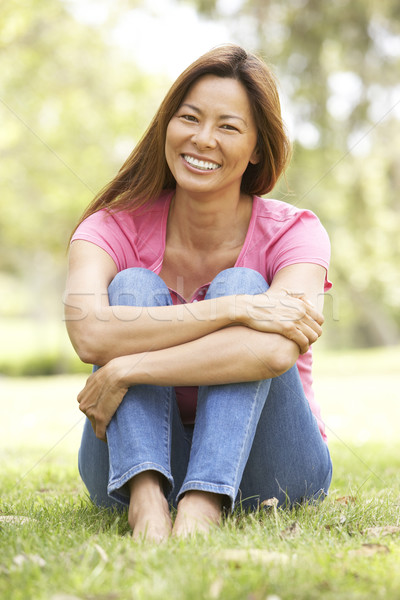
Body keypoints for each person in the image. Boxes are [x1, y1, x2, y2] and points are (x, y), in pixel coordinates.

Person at [64, 44, 332, 542]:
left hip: (270, 467)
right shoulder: (110, 227)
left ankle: (203, 505)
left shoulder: (295, 232)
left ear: (257, 148)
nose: (202, 139)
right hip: (127, 467)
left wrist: (129, 367)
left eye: (228, 127)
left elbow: (273, 349)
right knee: (134, 286)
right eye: (189, 118)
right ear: (168, 125)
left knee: (243, 279)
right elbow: (89, 335)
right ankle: (146, 503)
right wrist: (235, 309)